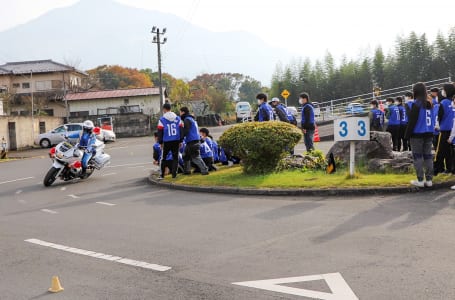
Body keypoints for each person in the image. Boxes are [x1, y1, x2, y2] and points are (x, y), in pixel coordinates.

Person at [405, 82, 435, 187]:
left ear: (415, 91)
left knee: (417, 157)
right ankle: (429, 180)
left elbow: (411, 120)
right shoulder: (430, 103)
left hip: (417, 133)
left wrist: (407, 135)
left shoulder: (414, 103)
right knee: (428, 156)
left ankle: (420, 180)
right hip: (429, 133)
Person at [157, 103, 183, 179]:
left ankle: (162, 175)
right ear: (170, 108)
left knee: (163, 158)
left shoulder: (162, 119)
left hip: (167, 140)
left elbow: (160, 131)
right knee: (175, 158)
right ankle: (174, 174)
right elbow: (181, 129)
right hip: (176, 140)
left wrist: (160, 142)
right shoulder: (178, 118)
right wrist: (181, 140)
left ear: (164, 109)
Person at [179, 106, 209, 175]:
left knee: (195, 157)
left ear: (183, 112)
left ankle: (205, 170)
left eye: (180, 112)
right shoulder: (192, 119)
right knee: (185, 156)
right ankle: (187, 171)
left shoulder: (187, 120)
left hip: (192, 141)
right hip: (193, 140)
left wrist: (180, 138)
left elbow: (186, 131)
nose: (179, 114)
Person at [435, 83, 455, 174]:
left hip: (444, 130)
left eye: (443, 89)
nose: (442, 91)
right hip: (453, 130)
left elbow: (439, 116)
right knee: (450, 152)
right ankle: (450, 168)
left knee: (440, 150)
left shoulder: (443, 103)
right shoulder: (453, 101)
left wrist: (437, 125)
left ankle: (438, 169)